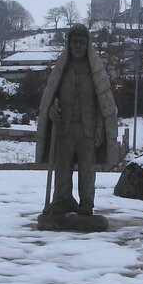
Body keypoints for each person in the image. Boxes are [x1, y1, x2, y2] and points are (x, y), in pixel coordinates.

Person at [36, 24, 118, 216]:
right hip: (64, 129)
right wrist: (51, 111)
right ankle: (62, 201)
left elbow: (101, 101)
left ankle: (86, 203)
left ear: (87, 44)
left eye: (82, 42)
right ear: (69, 44)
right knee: (62, 168)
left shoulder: (94, 71)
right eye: (75, 42)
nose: (78, 46)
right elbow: (51, 96)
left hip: (87, 130)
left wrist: (99, 126)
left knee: (87, 171)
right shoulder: (61, 70)